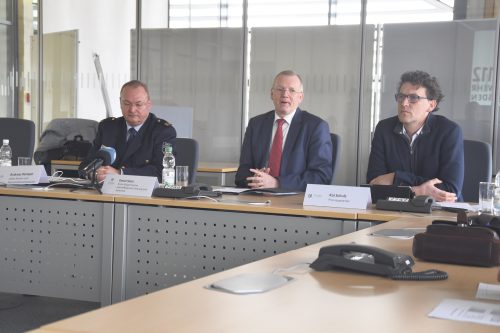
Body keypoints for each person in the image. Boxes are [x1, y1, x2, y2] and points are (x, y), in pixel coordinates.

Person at [367, 70, 464, 202]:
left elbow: (450, 190)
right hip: (394, 212)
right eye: (401, 96)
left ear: (431, 105)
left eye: (413, 98)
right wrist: (418, 191)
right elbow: (373, 186)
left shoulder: (449, 131)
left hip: (440, 214)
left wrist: (396, 178)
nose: (404, 103)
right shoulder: (384, 129)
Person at [235, 70, 333, 191]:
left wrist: (276, 183)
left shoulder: (316, 127)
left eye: (292, 90)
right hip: (258, 197)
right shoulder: (256, 124)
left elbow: (321, 177)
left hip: (294, 202)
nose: (285, 94)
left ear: (300, 97)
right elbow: (242, 173)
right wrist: (256, 178)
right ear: (271, 94)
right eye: (280, 89)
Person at [79, 80, 176, 182]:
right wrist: (94, 173)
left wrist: (120, 174)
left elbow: (163, 172)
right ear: (120, 103)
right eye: (126, 103)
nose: (132, 110)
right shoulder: (108, 127)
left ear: (149, 105)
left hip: (144, 195)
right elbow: (85, 166)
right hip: (105, 193)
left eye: (138, 104)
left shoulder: (163, 132)